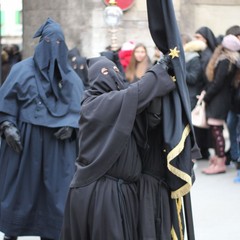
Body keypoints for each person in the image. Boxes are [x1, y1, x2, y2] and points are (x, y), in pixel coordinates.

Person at [60, 55, 176, 239]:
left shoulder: (120, 104)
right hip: (102, 194)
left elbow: (145, 116)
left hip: (125, 192)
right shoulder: (93, 105)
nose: (112, 76)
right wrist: (158, 70)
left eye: (115, 70)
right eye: (105, 72)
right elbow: (135, 94)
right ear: (93, 79)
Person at [0, 18, 84, 240]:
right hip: (25, 145)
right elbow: (7, 102)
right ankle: (12, 232)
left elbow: (83, 113)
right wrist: (7, 125)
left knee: (56, 194)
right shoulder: (20, 70)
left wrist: (72, 126)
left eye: (58, 42)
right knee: (21, 192)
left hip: (58, 147)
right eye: (48, 41)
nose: (52, 47)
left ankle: (51, 233)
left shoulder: (72, 78)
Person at [201, 34, 240, 174]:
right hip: (223, 98)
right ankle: (218, 159)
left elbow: (218, 83)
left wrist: (206, 97)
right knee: (216, 130)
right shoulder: (233, 60)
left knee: (216, 130)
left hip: (219, 99)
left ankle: (220, 162)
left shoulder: (225, 60)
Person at [193, 26, 218, 160]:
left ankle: (204, 150)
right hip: (201, 90)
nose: (196, 40)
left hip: (204, 91)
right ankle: (203, 149)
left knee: (203, 122)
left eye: (199, 38)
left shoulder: (207, 54)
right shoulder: (201, 53)